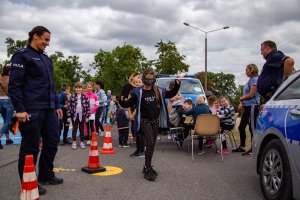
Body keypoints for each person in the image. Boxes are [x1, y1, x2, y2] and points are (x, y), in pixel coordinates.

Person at [8, 26, 63, 195]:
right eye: (45, 39)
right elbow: (14, 85)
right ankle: (28, 182)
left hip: (48, 109)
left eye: (49, 40)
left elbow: (51, 85)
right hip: (31, 109)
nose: (47, 43)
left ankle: (46, 174)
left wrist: (57, 106)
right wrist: (20, 109)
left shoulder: (46, 59)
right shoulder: (22, 55)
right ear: (35, 36)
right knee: (30, 147)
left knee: (53, 142)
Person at [119, 68, 180, 181]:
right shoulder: (138, 92)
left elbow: (171, 93)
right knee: (150, 142)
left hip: (155, 121)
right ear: (143, 79)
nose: (149, 81)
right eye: (147, 79)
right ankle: (148, 168)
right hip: (144, 120)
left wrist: (177, 85)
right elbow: (126, 103)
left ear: (154, 79)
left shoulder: (159, 90)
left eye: (151, 79)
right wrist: (122, 96)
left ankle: (147, 166)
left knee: (151, 145)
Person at [233, 64, 260, 155]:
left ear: (252, 70)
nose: (245, 72)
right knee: (241, 127)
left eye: (247, 70)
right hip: (247, 107)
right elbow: (246, 94)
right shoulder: (250, 80)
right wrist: (242, 102)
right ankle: (242, 146)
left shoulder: (255, 80)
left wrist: (241, 98)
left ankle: (253, 149)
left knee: (252, 129)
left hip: (253, 106)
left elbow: (252, 94)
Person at [67, 82, 90, 150]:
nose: (78, 89)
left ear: (82, 88)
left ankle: (82, 142)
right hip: (74, 115)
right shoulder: (72, 97)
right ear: (74, 88)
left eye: (79, 88)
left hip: (82, 115)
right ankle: (74, 142)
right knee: (74, 128)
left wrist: (87, 116)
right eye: (76, 88)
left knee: (82, 128)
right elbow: (69, 107)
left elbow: (88, 107)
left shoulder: (85, 97)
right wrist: (68, 116)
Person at [0, 64, 14, 149]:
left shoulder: (0, 78)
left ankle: (8, 139)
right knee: (8, 122)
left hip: (0, 101)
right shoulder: (11, 79)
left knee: (5, 120)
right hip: (8, 101)